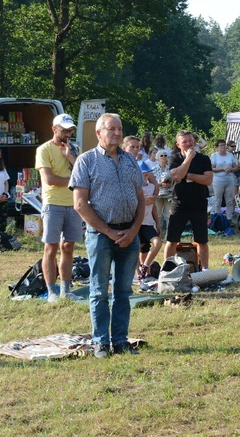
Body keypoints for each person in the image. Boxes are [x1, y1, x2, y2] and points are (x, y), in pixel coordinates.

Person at [71, 113, 144, 357]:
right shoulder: (86, 161)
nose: (117, 133)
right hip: (101, 235)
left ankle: (121, 341)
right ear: (98, 133)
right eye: (111, 129)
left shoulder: (131, 161)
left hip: (129, 233)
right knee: (100, 291)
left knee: (124, 291)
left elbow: (141, 199)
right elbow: (80, 204)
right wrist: (110, 232)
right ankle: (101, 342)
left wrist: (133, 230)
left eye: (120, 128)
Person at [35, 113, 80, 302]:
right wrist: (72, 181)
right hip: (53, 203)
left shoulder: (74, 149)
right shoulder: (44, 149)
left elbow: (83, 172)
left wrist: (69, 156)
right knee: (51, 248)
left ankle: (65, 290)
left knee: (68, 247)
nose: (68, 133)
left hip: (74, 204)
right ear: (54, 129)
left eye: (70, 130)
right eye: (64, 130)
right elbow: (49, 179)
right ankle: (51, 291)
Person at [164, 131, 213, 270]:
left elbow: (208, 179)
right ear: (178, 144)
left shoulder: (204, 159)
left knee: (202, 240)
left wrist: (187, 175)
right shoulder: (174, 159)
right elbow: (176, 176)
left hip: (199, 203)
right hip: (179, 203)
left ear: (194, 142)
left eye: (190, 141)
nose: (188, 144)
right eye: (184, 141)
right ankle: (168, 269)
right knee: (172, 239)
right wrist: (188, 160)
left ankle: (205, 270)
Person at [137, 162, 162, 279]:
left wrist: (157, 222)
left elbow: (154, 207)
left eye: (146, 175)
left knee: (157, 243)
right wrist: (142, 201)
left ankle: (145, 267)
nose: (144, 177)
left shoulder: (152, 187)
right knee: (136, 250)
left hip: (148, 223)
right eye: (142, 174)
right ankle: (138, 274)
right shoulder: (135, 187)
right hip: (136, 223)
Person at [210, 139, 239, 223]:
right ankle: (217, 218)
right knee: (218, 200)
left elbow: (236, 167)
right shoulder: (214, 156)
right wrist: (222, 169)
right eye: (221, 145)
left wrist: (231, 169)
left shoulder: (230, 155)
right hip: (218, 180)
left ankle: (229, 218)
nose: (223, 147)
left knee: (229, 200)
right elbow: (212, 168)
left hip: (229, 179)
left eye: (224, 145)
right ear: (217, 147)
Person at [153, 149, 172, 232]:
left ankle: (170, 236)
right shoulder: (154, 169)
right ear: (157, 157)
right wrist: (160, 183)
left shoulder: (170, 169)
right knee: (157, 215)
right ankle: (156, 234)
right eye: (161, 155)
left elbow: (175, 179)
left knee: (169, 215)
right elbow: (151, 181)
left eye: (165, 155)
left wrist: (170, 184)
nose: (163, 157)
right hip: (158, 193)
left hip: (169, 193)